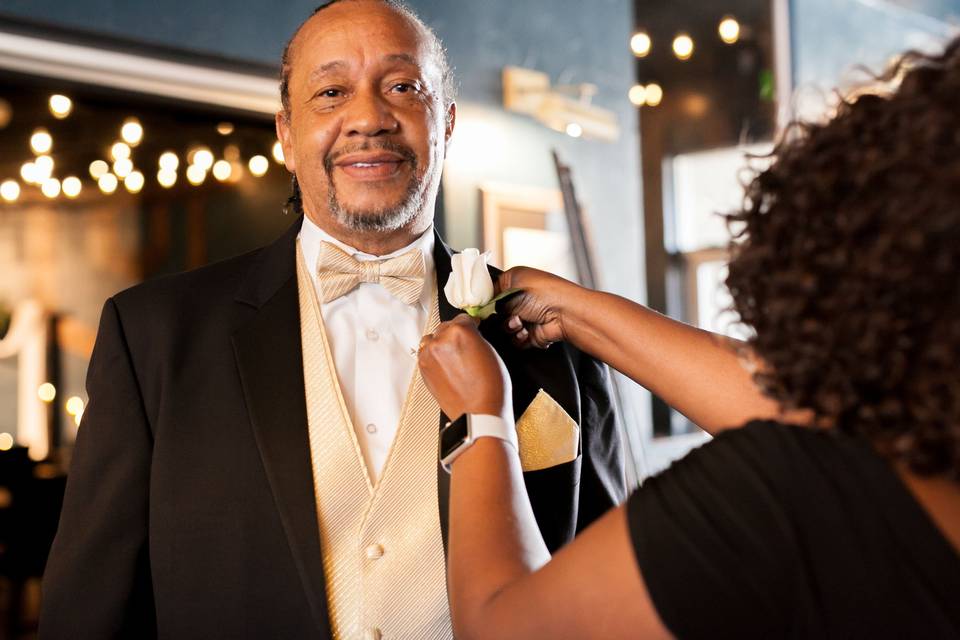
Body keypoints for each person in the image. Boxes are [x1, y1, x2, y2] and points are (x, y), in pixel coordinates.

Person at [39, 1, 624, 637]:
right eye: (331, 91)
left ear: (447, 125)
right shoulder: (152, 335)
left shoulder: (551, 338)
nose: (370, 118)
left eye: (403, 87)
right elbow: (89, 614)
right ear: (287, 135)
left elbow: (607, 590)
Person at [417, 37, 960, 639]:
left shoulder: (780, 500)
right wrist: (583, 312)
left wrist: (481, 421)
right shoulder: (898, 455)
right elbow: (799, 413)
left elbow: (504, 629)